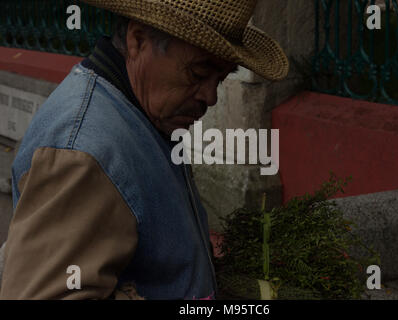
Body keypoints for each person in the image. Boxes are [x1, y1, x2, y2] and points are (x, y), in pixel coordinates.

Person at [0, 0, 288, 299]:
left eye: (221, 79)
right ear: (137, 41)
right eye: (199, 73)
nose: (210, 97)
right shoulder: (84, 152)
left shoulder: (143, 116)